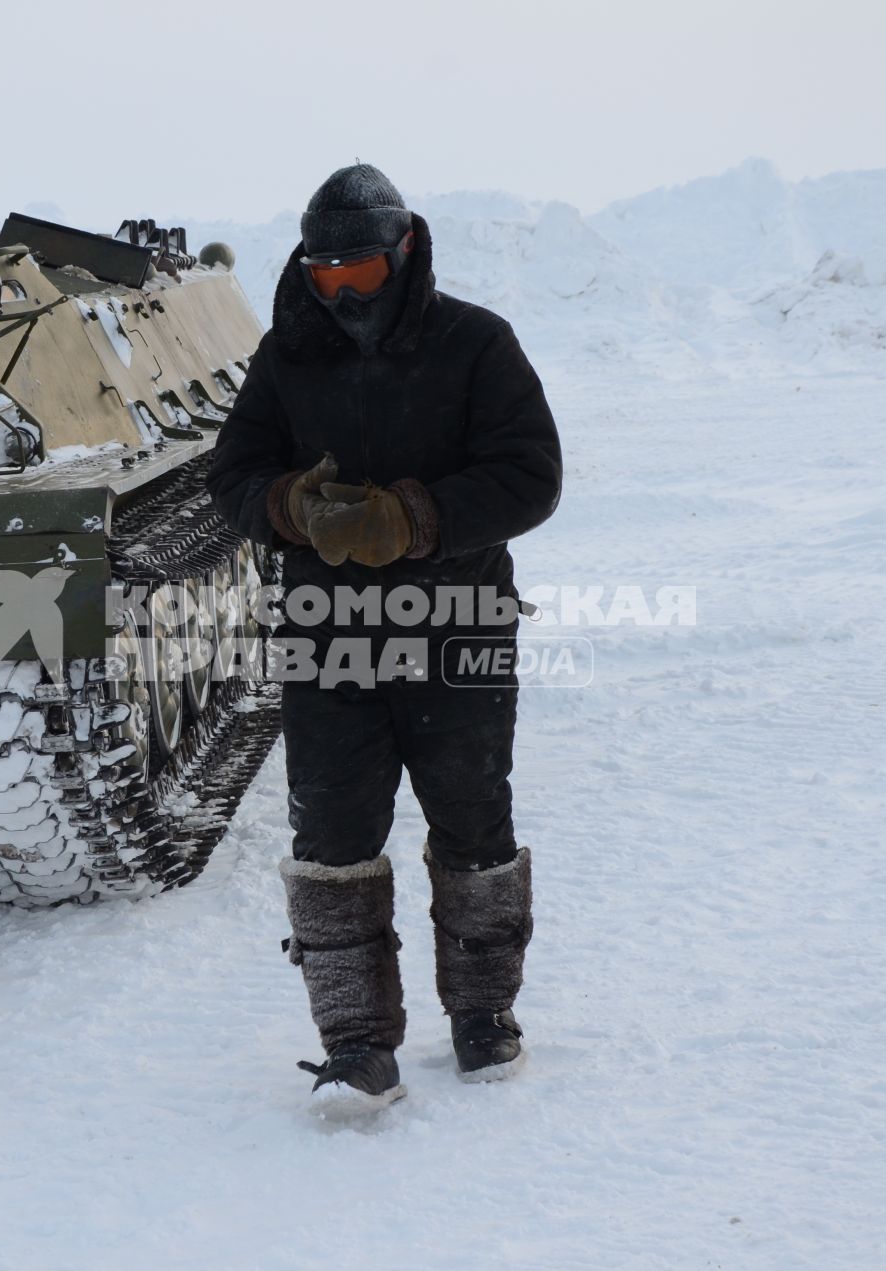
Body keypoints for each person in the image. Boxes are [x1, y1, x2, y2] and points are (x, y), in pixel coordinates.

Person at [206, 164, 562, 1105]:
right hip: (328, 633)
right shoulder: (287, 359)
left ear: (405, 253)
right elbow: (231, 473)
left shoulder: (475, 344)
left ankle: (485, 1015)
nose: (344, 294)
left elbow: (532, 475)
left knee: (474, 820)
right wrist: (286, 503)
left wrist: (413, 520)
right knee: (331, 834)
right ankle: (358, 1038)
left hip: (457, 622)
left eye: (360, 272)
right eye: (325, 277)